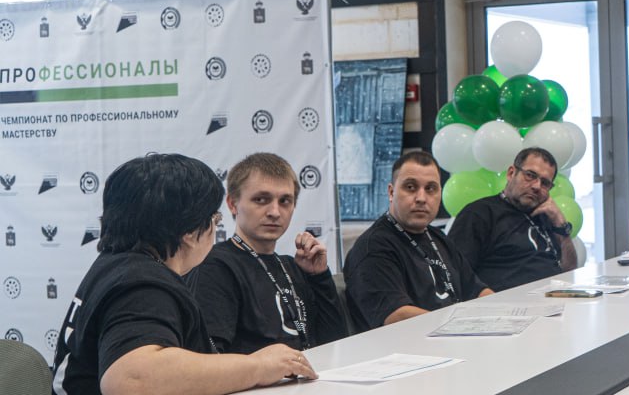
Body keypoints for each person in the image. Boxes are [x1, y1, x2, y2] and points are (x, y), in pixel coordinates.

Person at [51, 154, 316, 395]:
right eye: (214, 219)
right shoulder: (143, 283)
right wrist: (258, 366)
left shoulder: (119, 265)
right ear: (190, 231)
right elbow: (131, 378)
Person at [187, 153, 347, 354]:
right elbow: (211, 357)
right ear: (232, 204)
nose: (275, 212)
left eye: (285, 201)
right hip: (262, 375)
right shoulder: (216, 266)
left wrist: (319, 277)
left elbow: (335, 343)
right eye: (261, 200)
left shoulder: (293, 266)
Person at [344, 150, 492, 331]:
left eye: (430, 189)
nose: (421, 198)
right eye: (410, 187)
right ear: (391, 192)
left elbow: (476, 290)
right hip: (408, 343)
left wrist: (500, 312)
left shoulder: (437, 237)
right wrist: (460, 324)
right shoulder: (373, 248)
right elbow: (396, 316)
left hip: (454, 334)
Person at [448, 147, 579, 291]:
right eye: (530, 175)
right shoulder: (479, 214)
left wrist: (560, 224)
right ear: (511, 173)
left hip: (554, 297)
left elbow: (569, 270)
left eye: (545, 183)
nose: (537, 186)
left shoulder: (545, 215)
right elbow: (455, 276)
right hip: (506, 301)